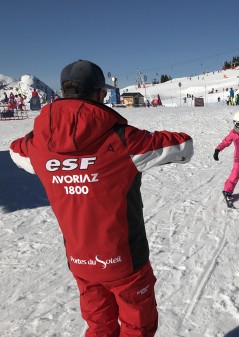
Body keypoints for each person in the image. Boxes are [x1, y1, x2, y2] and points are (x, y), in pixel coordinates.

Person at [9, 60, 194, 337]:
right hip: (125, 261)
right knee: (137, 328)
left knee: (99, 326)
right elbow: (183, 145)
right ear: (98, 94)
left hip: (81, 261)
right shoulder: (122, 139)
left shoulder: (36, 144)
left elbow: (15, 151)